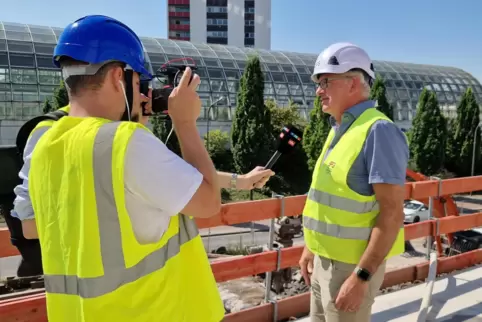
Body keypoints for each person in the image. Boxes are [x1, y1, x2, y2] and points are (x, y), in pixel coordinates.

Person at [23, 15, 272, 322]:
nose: (144, 95)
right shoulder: (125, 143)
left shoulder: (45, 145)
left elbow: (38, 225)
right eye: (139, 82)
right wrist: (184, 123)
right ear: (118, 77)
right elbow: (208, 203)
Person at [299, 42, 408, 322]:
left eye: (325, 81)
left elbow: (392, 213)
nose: (318, 90)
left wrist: (361, 277)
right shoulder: (339, 128)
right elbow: (327, 198)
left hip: (351, 268)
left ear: (353, 83)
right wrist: (311, 248)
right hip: (323, 261)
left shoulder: (378, 131)